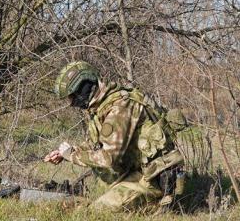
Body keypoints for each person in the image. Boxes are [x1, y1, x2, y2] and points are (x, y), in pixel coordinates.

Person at [44, 61, 184, 211]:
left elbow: (108, 157)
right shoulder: (102, 107)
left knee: (97, 210)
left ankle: (160, 204)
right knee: (94, 193)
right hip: (137, 172)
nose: (71, 103)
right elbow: (95, 145)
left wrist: (71, 155)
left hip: (154, 178)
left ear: (83, 88)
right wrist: (66, 153)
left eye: (72, 96)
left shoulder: (120, 107)